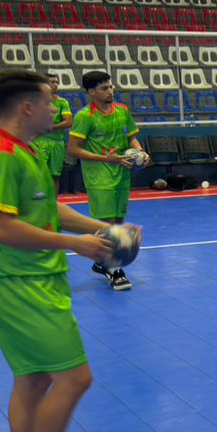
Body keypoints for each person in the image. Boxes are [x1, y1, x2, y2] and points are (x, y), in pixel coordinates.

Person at [0, 70, 129, 432]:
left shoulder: (25, 151)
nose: (57, 110)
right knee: (74, 379)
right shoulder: (0, 155)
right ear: (27, 107)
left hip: (34, 281)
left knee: (33, 380)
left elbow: (48, 210)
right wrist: (75, 245)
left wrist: (101, 230)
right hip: (16, 282)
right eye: (50, 102)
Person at [67, 71, 145, 291]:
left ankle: (103, 262)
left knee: (118, 223)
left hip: (122, 174)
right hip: (98, 176)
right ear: (91, 92)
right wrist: (106, 158)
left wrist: (140, 152)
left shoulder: (122, 111)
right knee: (108, 225)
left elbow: (132, 137)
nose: (110, 91)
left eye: (110, 87)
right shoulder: (84, 116)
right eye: (104, 88)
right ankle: (115, 270)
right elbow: (73, 149)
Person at [32, 77, 72, 194]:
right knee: (38, 175)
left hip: (57, 144)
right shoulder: (35, 102)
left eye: (57, 82)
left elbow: (68, 122)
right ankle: (39, 203)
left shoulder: (62, 102)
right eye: (52, 82)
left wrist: (49, 128)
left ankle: (53, 205)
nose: (55, 84)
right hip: (39, 142)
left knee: (55, 176)